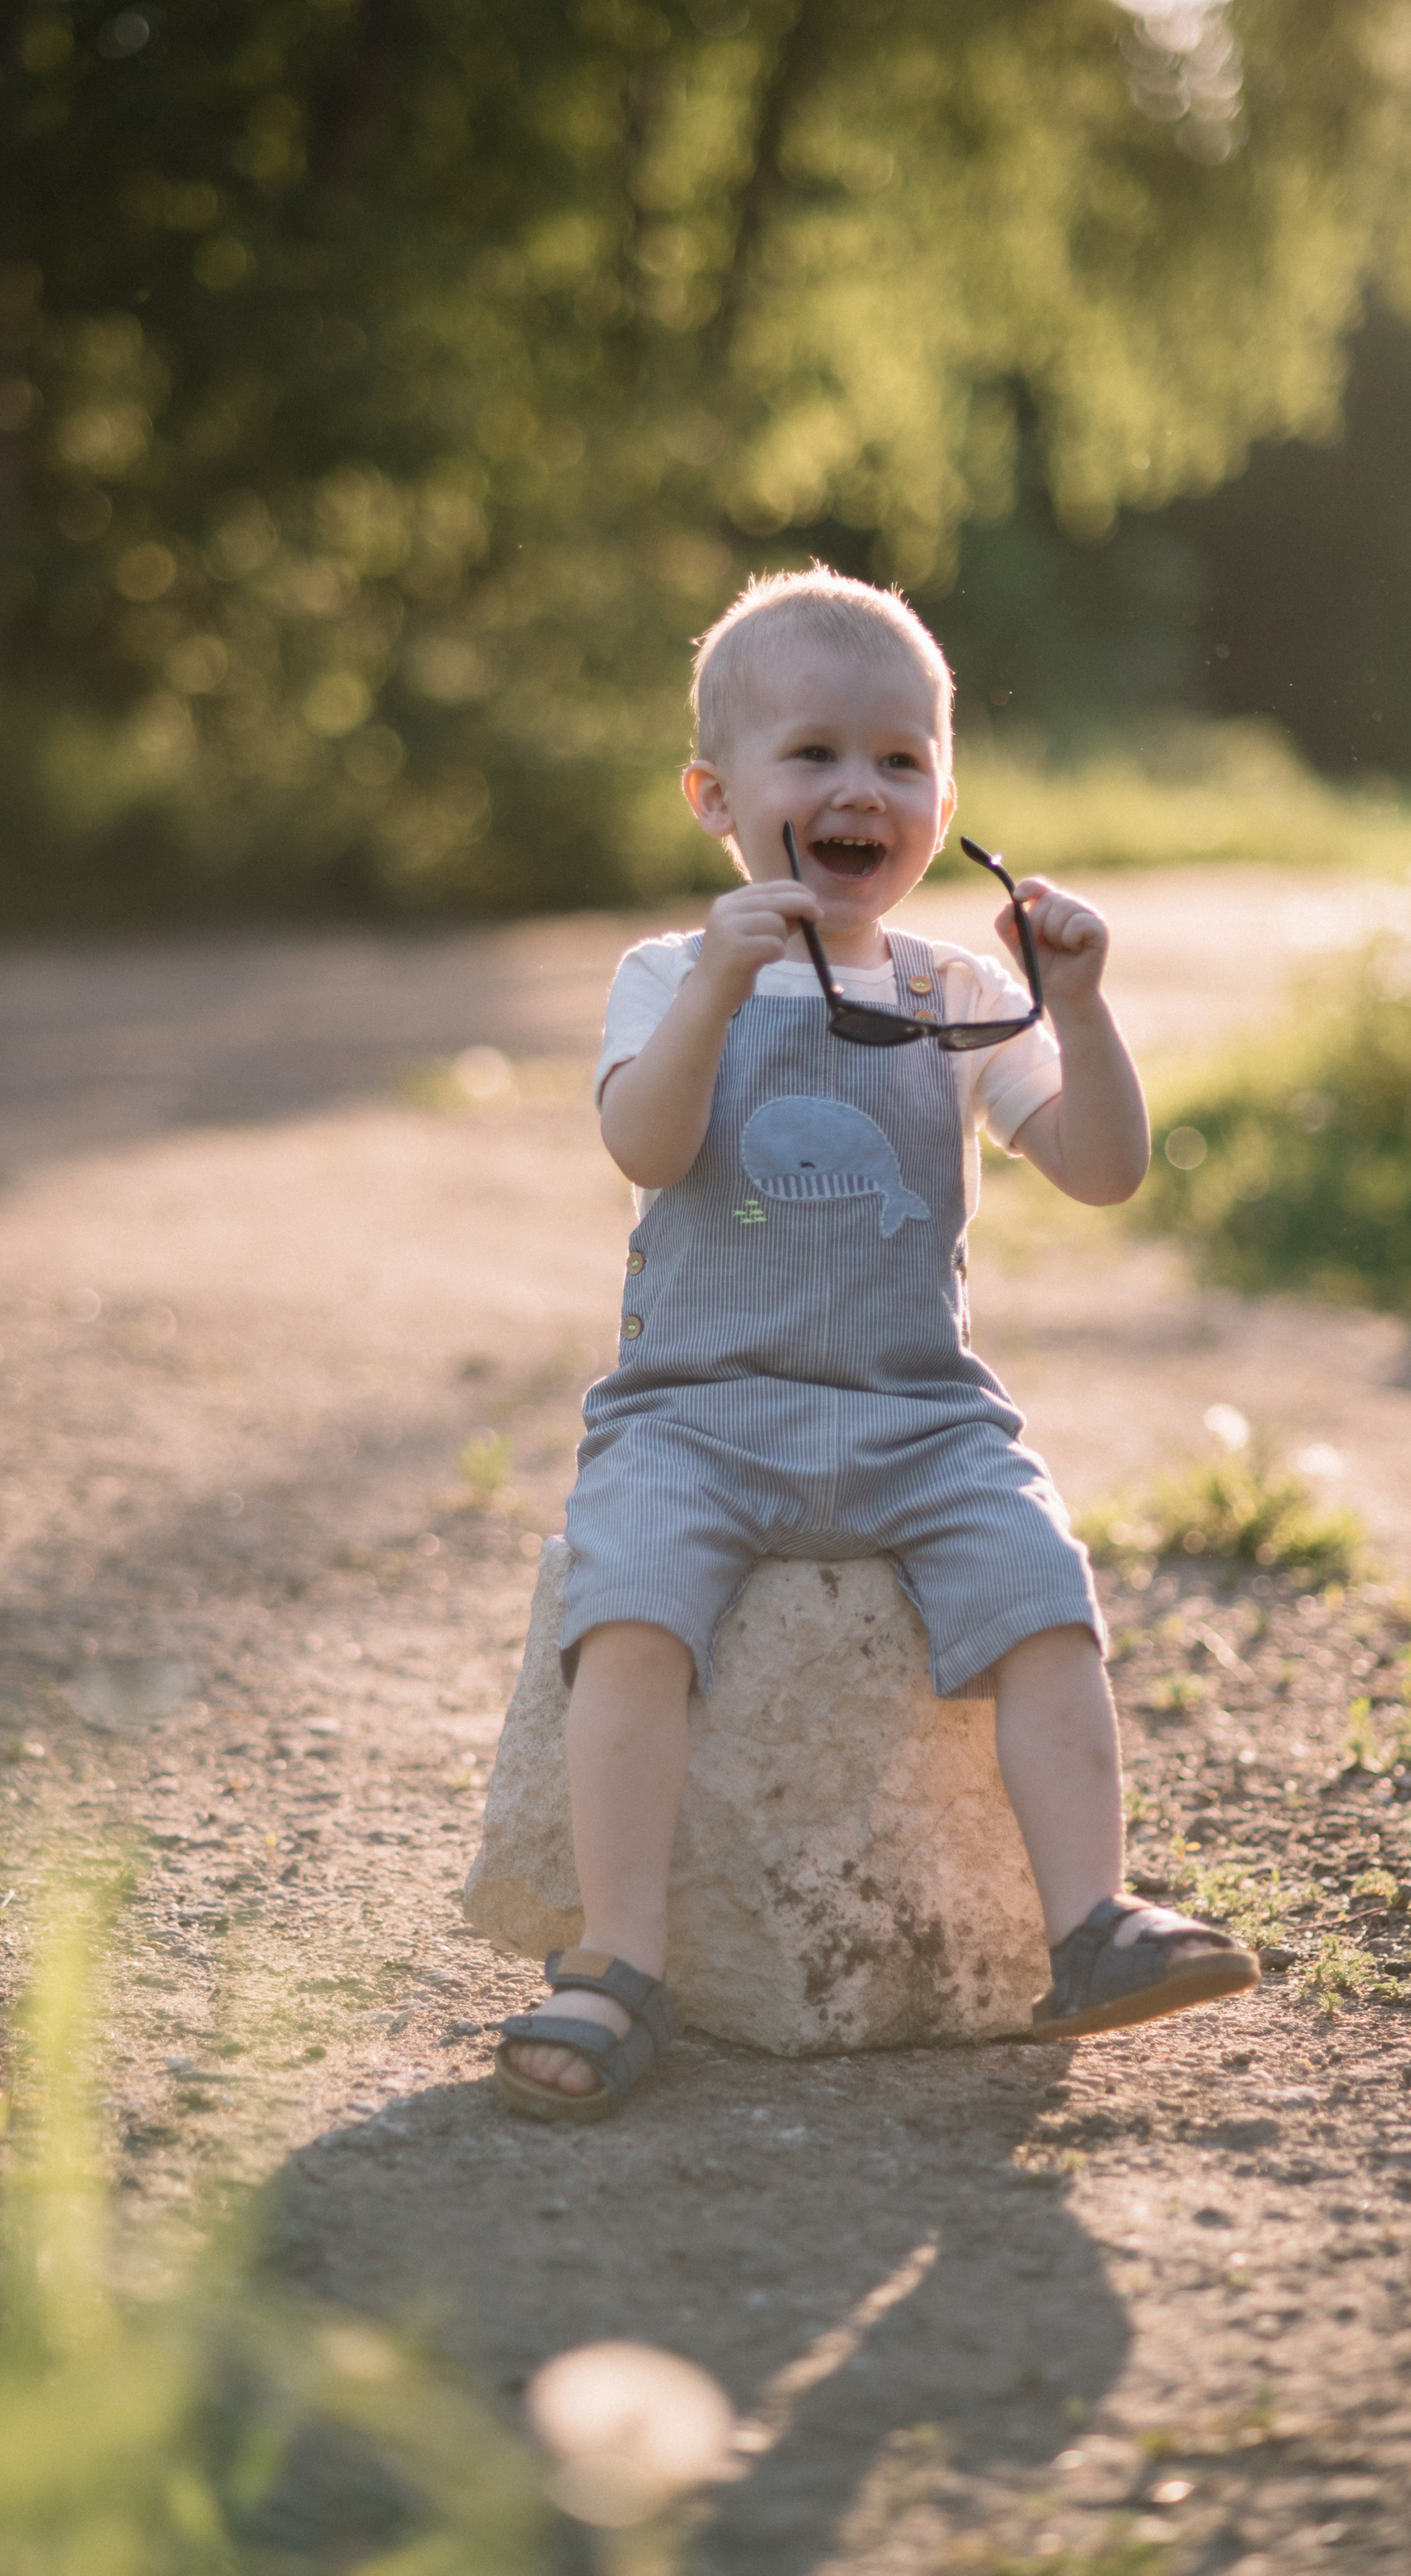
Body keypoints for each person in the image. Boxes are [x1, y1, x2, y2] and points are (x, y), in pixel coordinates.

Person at [495, 567, 1258, 2122]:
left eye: (901, 762)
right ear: (715, 798)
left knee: (1039, 1586)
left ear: (946, 806)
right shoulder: (667, 974)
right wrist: (722, 985)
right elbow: (645, 1148)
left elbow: (1102, 1169)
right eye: (814, 754)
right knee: (625, 1608)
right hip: (696, 1415)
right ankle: (619, 1958)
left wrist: (1079, 1006)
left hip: (918, 1416)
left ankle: (1091, 1922)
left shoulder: (959, 992)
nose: (862, 789)